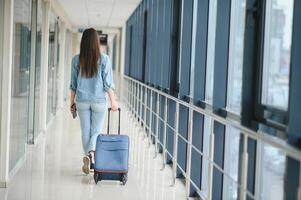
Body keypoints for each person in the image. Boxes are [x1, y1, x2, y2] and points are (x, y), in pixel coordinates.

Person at [69, 28, 118, 175]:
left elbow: (73, 84)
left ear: (83, 42)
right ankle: (91, 154)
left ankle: (89, 157)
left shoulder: (76, 60)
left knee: (85, 131)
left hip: (82, 100)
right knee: (96, 131)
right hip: (99, 101)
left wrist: (72, 102)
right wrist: (113, 102)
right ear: (97, 42)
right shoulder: (104, 59)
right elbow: (107, 84)